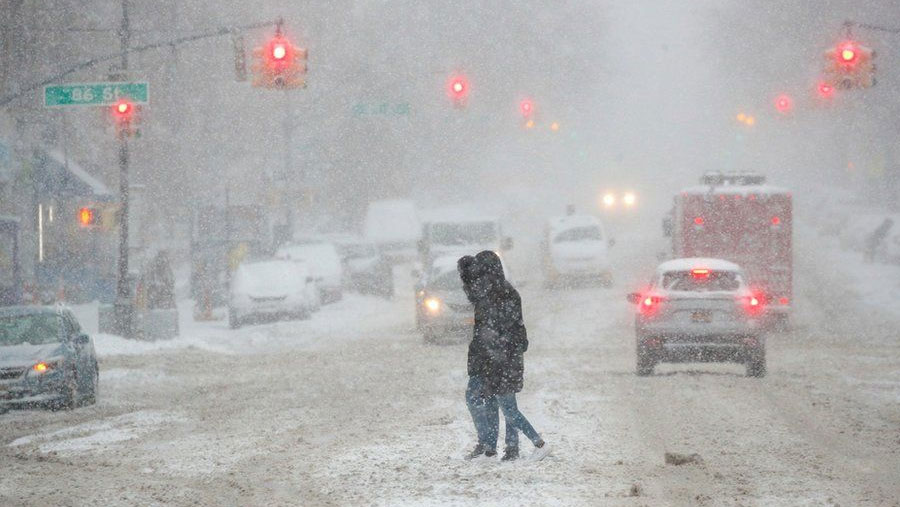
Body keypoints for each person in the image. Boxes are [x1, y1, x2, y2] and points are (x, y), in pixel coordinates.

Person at [461, 251, 548, 461]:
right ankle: (494, 449)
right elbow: (485, 332)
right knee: (494, 403)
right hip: (492, 359)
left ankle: (535, 444)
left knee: (508, 408)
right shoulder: (489, 295)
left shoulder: (503, 295)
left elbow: (510, 331)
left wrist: (498, 354)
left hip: (503, 360)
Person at [459, 255, 499, 459]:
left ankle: (486, 443)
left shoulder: (486, 298)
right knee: (487, 400)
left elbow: (489, 333)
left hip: (486, 359)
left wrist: (485, 358)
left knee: (476, 398)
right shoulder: (487, 295)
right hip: (485, 357)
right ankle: (489, 444)